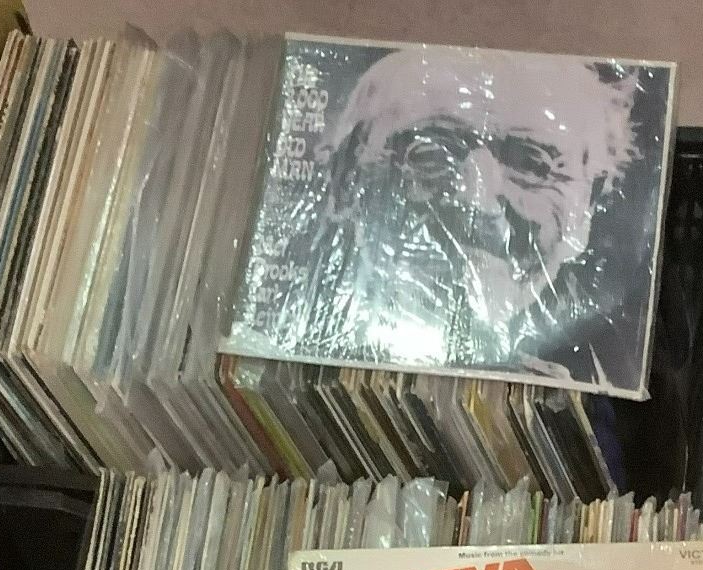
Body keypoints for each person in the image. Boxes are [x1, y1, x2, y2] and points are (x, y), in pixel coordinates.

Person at [260, 47, 664, 388]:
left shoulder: (613, 379)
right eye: (429, 156)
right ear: (347, 183)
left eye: (532, 163)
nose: (477, 201)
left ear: (588, 203)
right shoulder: (273, 359)